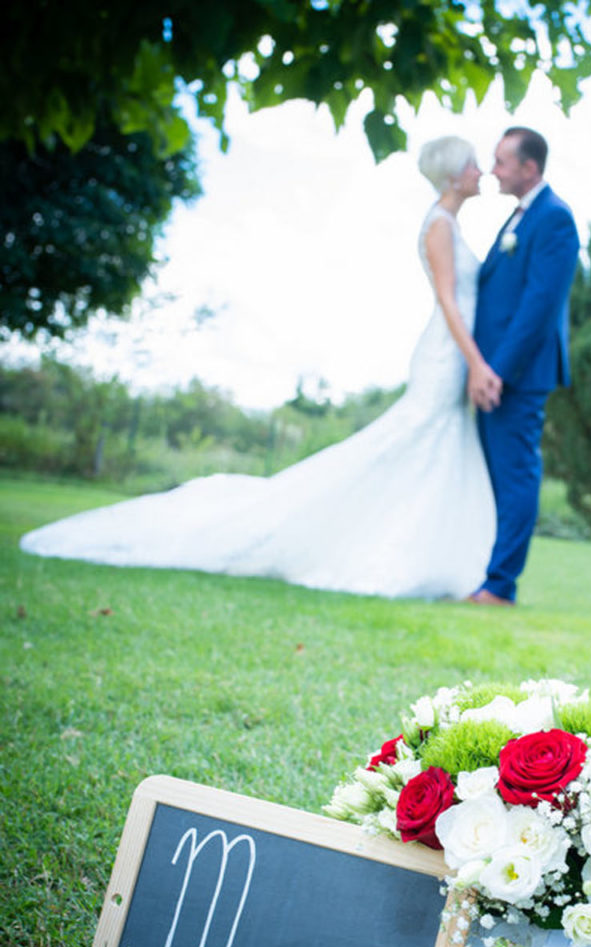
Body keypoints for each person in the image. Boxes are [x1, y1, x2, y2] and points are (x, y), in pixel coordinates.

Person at [20, 137, 496, 600]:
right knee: (412, 444)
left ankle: (419, 554)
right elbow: (448, 302)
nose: (481, 172)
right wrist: (475, 362)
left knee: (429, 449)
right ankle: (382, 552)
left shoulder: (450, 225)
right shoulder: (439, 226)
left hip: (454, 353)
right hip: (446, 355)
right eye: (474, 164)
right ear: (454, 175)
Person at [467, 127, 579, 606]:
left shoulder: (554, 219)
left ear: (529, 168)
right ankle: (486, 574)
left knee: (515, 475)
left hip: (517, 375)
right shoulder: (520, 216)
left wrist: (497, 371)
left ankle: (500, 585)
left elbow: (539, 306)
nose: (494, 171)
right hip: (492, 372)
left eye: (501, 162)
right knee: (494, 475)